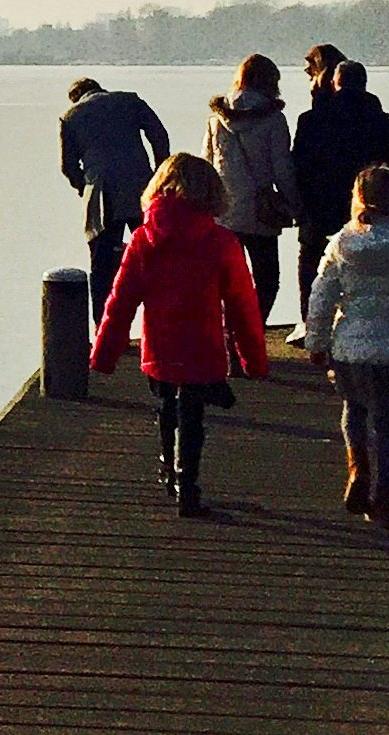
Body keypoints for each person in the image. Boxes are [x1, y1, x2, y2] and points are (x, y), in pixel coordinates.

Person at [90, 152, 267, 516]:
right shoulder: (221, 241)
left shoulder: (143, 240)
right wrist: (252, 359)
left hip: (160, 346)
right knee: (193, 414)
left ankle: (167, 469)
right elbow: (243, 306)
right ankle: (189, 483)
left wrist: (104, 353)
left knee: (166, 406)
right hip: (202, 347)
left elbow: (120, 301)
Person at [302, 163, 389, 528]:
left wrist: (316, 342)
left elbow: (321, 299)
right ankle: (384, 501)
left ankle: (357, 469)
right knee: (387, 425)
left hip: (350, 348)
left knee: (353, 409)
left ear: (360, 199)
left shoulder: (340, 246)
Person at [292, 58, 389, 305]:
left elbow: (299, 165)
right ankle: (364, 312)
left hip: (320, 204)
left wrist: (299, 203)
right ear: (365, 85)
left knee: (311, 262)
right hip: (368, 204)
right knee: (367, 262)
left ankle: (310, 319)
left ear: (335, 84)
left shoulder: (310, 120)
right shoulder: (381, 120)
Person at [59, 77, 170, 325]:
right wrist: (159, 174)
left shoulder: (70, 117)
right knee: (158, 258)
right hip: (141, 187)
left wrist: (83, 186)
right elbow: (158, 135)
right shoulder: (130, 100)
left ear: (75, 97)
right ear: (99, 88)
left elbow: (67, 166)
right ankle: (165, 324)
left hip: (101, 195)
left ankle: (103, 330)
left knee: (101, 267)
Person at [203, 53, 299, 321]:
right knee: (268, 280)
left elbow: (207, 166)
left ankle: (227, 332)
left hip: (223, 212)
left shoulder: (215, 120)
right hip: (260, 212)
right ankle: (251, 330)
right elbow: (282, 169)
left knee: (226, 282)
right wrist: (296, 205)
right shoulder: (273, 119)